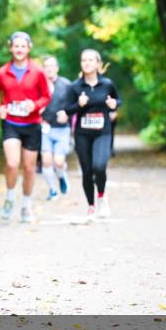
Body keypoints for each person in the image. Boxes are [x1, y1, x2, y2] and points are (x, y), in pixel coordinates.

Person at [0, 32, 51, 223]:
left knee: (29, 167)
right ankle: (9, 197)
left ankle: (26, 205)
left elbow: (46, 96)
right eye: (16, 46)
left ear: (29, 48)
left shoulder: (38, 72)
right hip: (11, 124)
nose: (19, 49)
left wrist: (36, 105)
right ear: (10, 47)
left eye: (23, 46)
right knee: (13, 163)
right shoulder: (1, 72)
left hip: (32, 125)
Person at [57, 48, 120, 221]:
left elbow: (117, 100)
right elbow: (67, 110)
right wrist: (79, 104)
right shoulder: (75, 86)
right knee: (87, 170)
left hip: (103, 132)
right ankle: (91, 207)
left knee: (99, 166)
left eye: (91, 60)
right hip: (82, 134)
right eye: (84, 60)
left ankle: (101, 197)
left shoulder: (107, 84)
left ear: (98, 64)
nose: (87, 63)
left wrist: (114, 104)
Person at [40, 55, 72, 200]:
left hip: (62, 129)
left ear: (57, 68)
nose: (49, 69)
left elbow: (75, 106)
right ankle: (52, 190)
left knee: (58, 161)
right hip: (44, 128)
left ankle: (62, 177)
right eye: (46, 66)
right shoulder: (38, 85)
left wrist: (68, 114)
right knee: (46, 161)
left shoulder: (66, 85)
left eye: (52, 66)